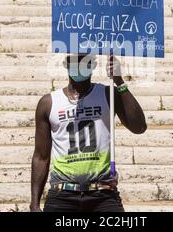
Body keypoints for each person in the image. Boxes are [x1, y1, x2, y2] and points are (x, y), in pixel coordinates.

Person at [30, 54, 147, 212]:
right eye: (75, 61)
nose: (79, 65)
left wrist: (119, 82)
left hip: (103, 193)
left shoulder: (108, 94)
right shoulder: (48, 103)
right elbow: (41, 156)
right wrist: (34, 203)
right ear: (66, 65)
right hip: (62, 194)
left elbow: (139, 127)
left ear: (93, 65)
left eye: (84, 61)